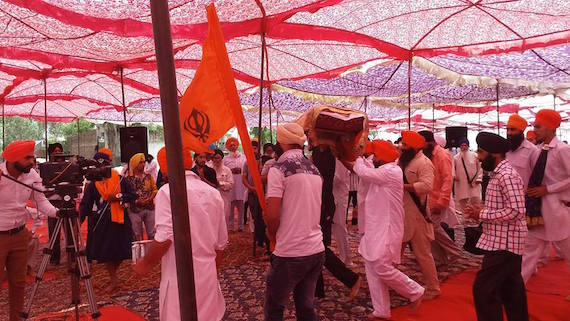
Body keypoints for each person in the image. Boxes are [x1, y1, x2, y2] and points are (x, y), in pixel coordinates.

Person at [134, 149, 227, 321]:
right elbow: (220, 244)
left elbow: (165, 236)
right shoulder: (213, 193)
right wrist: (212, 273)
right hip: (207, 273)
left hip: (180, 277)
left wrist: (146, 263)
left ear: (166, 167)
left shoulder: (167, 192)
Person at [345, 140, 424, 320]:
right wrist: (360, 158)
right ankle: (381, 310)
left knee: (381, 266)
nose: (374, 158)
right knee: (372, 268)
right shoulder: (383, 169)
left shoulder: (390, 171)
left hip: (387, 228)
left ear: (383, 156)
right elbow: (366, 168)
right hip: (376, 226)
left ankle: (415, 290)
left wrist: (355, 158)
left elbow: (363, 172)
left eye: (376, 155)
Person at [464, 132, 528, 321]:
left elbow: (517, 210)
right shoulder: (498, 174)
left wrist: (482, 214)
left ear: (495, 154)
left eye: (481, 152)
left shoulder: (506, 176)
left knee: (484, 290)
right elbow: (506, 206)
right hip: (501, 240)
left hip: (505, 243)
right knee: (511, 291)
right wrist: (484, 208)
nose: (478, 155)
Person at [264, 123, 325, 321]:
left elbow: (273, 215)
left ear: (280, 143)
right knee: (306, 308)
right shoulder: (314, 169)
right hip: (316, 249)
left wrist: (271, 234)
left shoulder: (279, 169)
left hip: (291, 250)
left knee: (274, 308)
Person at [0, 140, 58, 321]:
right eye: (28, 158)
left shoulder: (31, 174)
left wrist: (58, 212)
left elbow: (41, 202)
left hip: (19, 234)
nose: (32, 161)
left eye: (32, 157)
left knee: (18, 283)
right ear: (13, 159)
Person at [308, 129, 361, 300]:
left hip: (326, 204)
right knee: (315, 245)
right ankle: (318, 290)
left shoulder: (331, 154)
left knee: (319, 247)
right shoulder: (316, 152)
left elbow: (332, 179)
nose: (309, 135)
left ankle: (351, 279)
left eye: (311, 133)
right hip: (319, 202)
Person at [521, 109, 570, 282]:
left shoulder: (562, 149)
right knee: (529, 251)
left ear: (550, 128)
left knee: (567, 251)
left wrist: (547, 189)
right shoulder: (539, 150)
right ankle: (515, 291)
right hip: (537, 210)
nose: (535, 130)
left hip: (557, 210)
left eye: (538, 126)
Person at [80, 150, 136, 291]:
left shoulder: (121, 179)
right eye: (98, 166)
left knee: (123, 251)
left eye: (104, 165)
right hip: (103, 222)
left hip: (121, 220)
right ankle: (113, 280)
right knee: (107, 252)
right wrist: (78, 221)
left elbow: (133, 195)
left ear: (109, 165)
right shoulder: (94, 184)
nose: (101, 169)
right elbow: (86, 204)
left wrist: (117, 196)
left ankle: (114, 276)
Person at [399, 131, 440, 299]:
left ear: (414, 147)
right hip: (401, 215)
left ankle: (433, 288)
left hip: (417, 216)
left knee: (423, 255)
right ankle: (389, 282)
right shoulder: (401, 160)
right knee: (393, 254)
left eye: (405, 145)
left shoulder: (424, 163)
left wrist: (403, 186)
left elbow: (427, 186)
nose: (402, 147)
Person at [419, 130, 463, 266]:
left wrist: (442, 202)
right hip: (427, 199)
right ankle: (439, 259)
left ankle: (455, 251)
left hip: (437, 200)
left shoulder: (442, 155)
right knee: (429, 230)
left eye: (422, 143)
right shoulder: (427, 154)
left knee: (433, 228)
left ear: (430, 142)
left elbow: (447, 180)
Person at [126, 153, 158, 241]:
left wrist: (149, 199)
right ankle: (139, 254)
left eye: (144, 162)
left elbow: (155, 190)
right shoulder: (128, 179)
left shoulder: (149, 177)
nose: (143, 164)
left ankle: (152, 254)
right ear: (135, 164)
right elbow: (126, 195)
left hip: (149, 208)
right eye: (140, 162)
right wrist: (136, 201)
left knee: (153, 234)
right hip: (134, 210)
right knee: (137, 235)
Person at [242, 141, 268, 250]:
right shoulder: (247, 162)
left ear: (258, 149)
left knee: (264, 217)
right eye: (251, 148)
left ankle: (266, 239)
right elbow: (244, 178)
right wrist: (251, 188)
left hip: (264, 193)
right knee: (255, 217)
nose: (253, 151)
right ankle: (259, 238)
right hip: (252, 193)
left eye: (255, 148)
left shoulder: (265, 161)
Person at [505, 114, 539, 188]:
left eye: (513, 129)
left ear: (521, 131)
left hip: (523, 196)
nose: (509, 133)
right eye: (507, 129)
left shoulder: (532, 150)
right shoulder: (504, 149)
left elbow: (538, 176)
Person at [223, 137, 247, 232]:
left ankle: (241, 226)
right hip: (231, 185)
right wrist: (231, 170)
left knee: (241, 206)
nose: (233, 147)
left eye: (234, 145)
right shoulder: (225, 159)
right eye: (231, 145)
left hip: (241, 185)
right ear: (228, 147)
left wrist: (240, 170)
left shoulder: (243, 157)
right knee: (230, 207)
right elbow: (224, 170)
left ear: (237, 145)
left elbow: (246, 169)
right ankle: (230, 226)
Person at [453, 138, 482, 213]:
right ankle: (466, 217)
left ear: (468, 146)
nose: (463, 147)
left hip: (474, 182)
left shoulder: (475, 155)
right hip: (461, 183)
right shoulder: (456, 158)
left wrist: (479, 178)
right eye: (462, 145)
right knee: (463, 200)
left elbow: (480, 167)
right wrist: (454, 176)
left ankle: (476, 216)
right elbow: (452, 169)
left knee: (475, 199)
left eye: (465, 145)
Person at [46, 142, 64, 265]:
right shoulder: (46, 168)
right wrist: (57, 190)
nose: (57, 153)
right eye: (55, 151)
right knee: (54, 232)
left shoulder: (67, 166)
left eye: (59, 151)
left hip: (67, 201)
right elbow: (44, 190)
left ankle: (73, 256)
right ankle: (54, 257)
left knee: (70, 230)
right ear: (50, 153)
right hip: (52, 203)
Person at [332, 157, 352, 266]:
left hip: (339, 197)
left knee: (340, 227)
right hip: (333, 196)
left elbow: (337, 179)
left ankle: (345, 259)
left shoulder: (340, 158)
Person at [212, 149, 234, 231]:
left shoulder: (227, 170)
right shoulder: (209, 170)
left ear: (222, 158)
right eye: (214, 158)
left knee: (224, 218)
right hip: (212, 198)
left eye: (218, 158)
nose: (216, 160)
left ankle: (224, 240)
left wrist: (220, 184)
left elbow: (231, 184)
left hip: (224, 197)